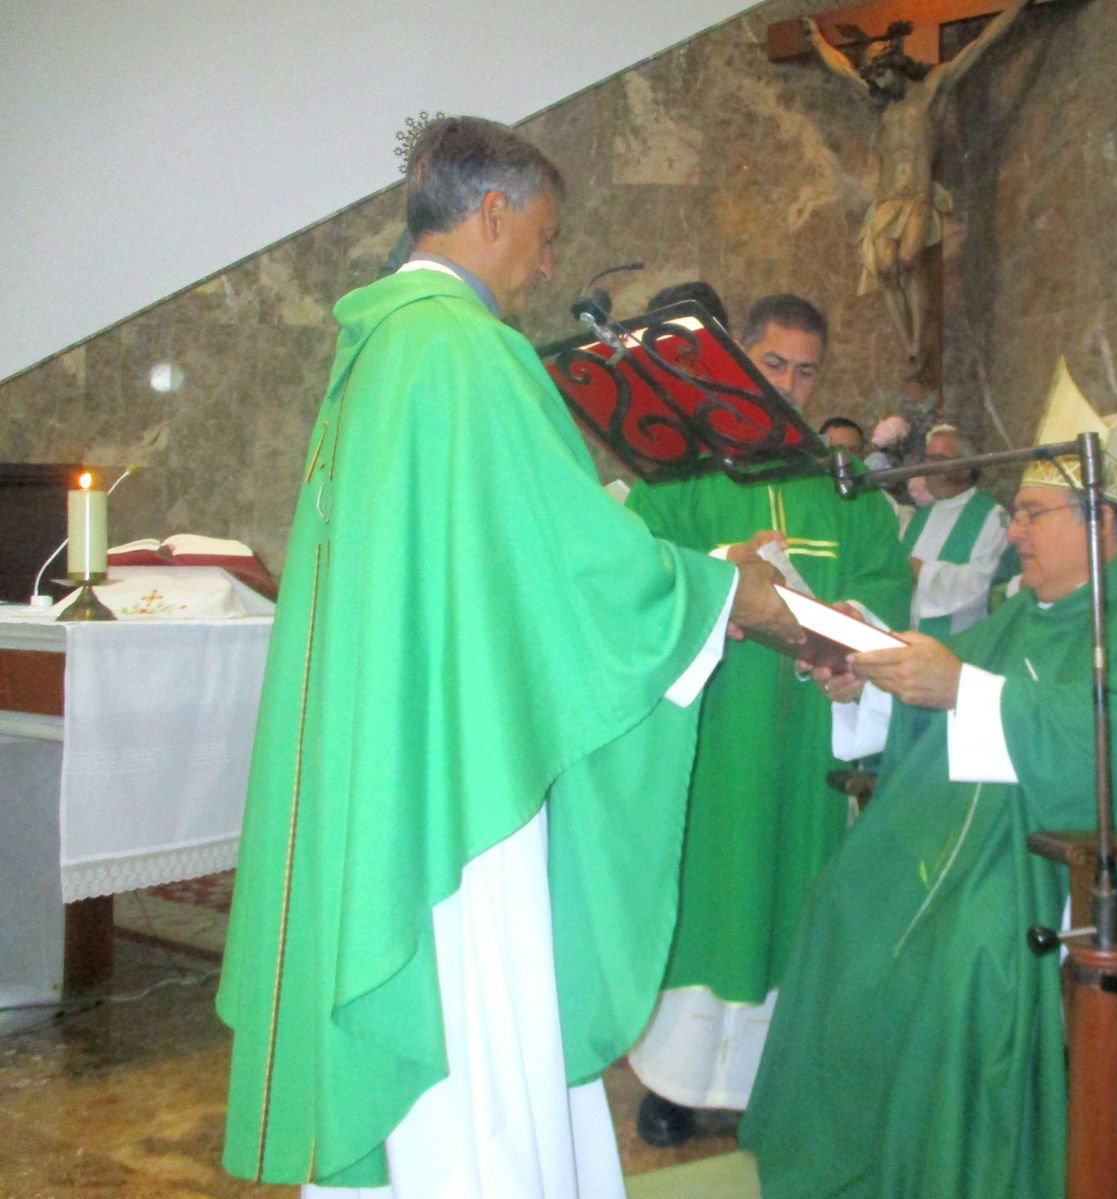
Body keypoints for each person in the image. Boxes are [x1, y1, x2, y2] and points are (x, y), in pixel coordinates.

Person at [215, 115, 800, 1198]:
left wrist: (698, 563)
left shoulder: (381, 347)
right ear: (490, 213)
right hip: (462, 767)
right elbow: (567, 559)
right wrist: (725, 594)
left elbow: (502, 551)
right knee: (478, 1000)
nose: (542, 264)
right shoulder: (469, 350)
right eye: (540, 235)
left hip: (400, 740)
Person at [739, 357, 1117, 1198]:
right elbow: (949, 700)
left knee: (972, 946)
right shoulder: (1028, 610)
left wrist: (956, 686)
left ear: (1100, 521)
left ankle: (960, 1171)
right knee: (846, 899)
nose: (1013, 531)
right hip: (1015, 842)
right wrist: (872, 673)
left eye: (1031, 513)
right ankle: (879, 1162)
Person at [625, 293, 913, 1146]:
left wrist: (844, 636)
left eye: (805, 369)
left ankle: (778, 1079)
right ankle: (677, 1081)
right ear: (740, 364)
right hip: (716, 741)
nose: (787, 382)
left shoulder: (847, 488)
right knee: (710, 893)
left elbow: (888, 589)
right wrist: (723, 573)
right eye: (773, 363)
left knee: (800, 894)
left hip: (806, 743)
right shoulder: (678, 477)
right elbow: (635, 581)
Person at [803, 0, 1030, 373]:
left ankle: (918, 339)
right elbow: (843, 72)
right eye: (871, 75)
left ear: (897, 66)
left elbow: (980, 46)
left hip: (919, 197)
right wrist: (815, 38)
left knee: (909, 259)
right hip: (887, 201)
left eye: (879, 72)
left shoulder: (931, 92)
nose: (875, 82)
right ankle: (909, 340)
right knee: (886, 268)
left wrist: (1016, 8)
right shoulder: (882, 108)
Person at [902, 423, 1009, 636]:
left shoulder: (992, 516)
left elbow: (985, 583)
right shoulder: (917, 519)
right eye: (927, 460)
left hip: (964, 637)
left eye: (939, 460)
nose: (929, 468)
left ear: (967, 466)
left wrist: (922, 571)